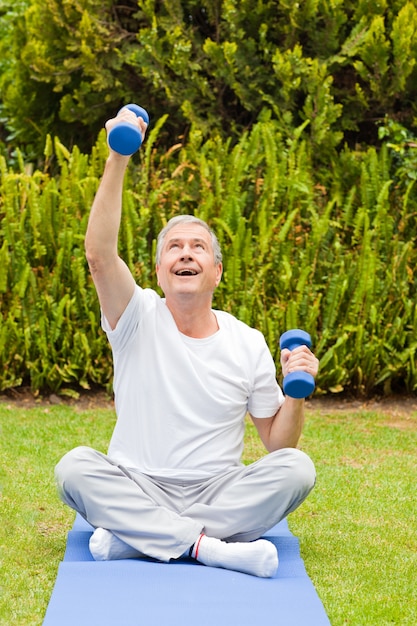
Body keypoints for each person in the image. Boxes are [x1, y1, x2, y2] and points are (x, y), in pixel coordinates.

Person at [55, 107, 319, 579]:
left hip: (217, 490)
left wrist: (296, 395)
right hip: (137, 483)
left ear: (216, 271)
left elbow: (277, 446)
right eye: (174, 247)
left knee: (297, 469)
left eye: (198, 247)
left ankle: (139, 539)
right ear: (158, 272)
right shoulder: (136, 315)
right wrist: (118, 155)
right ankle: (207, 548)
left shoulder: (247, 340)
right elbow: (98, 254)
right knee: (74, 468)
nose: (185, 253)